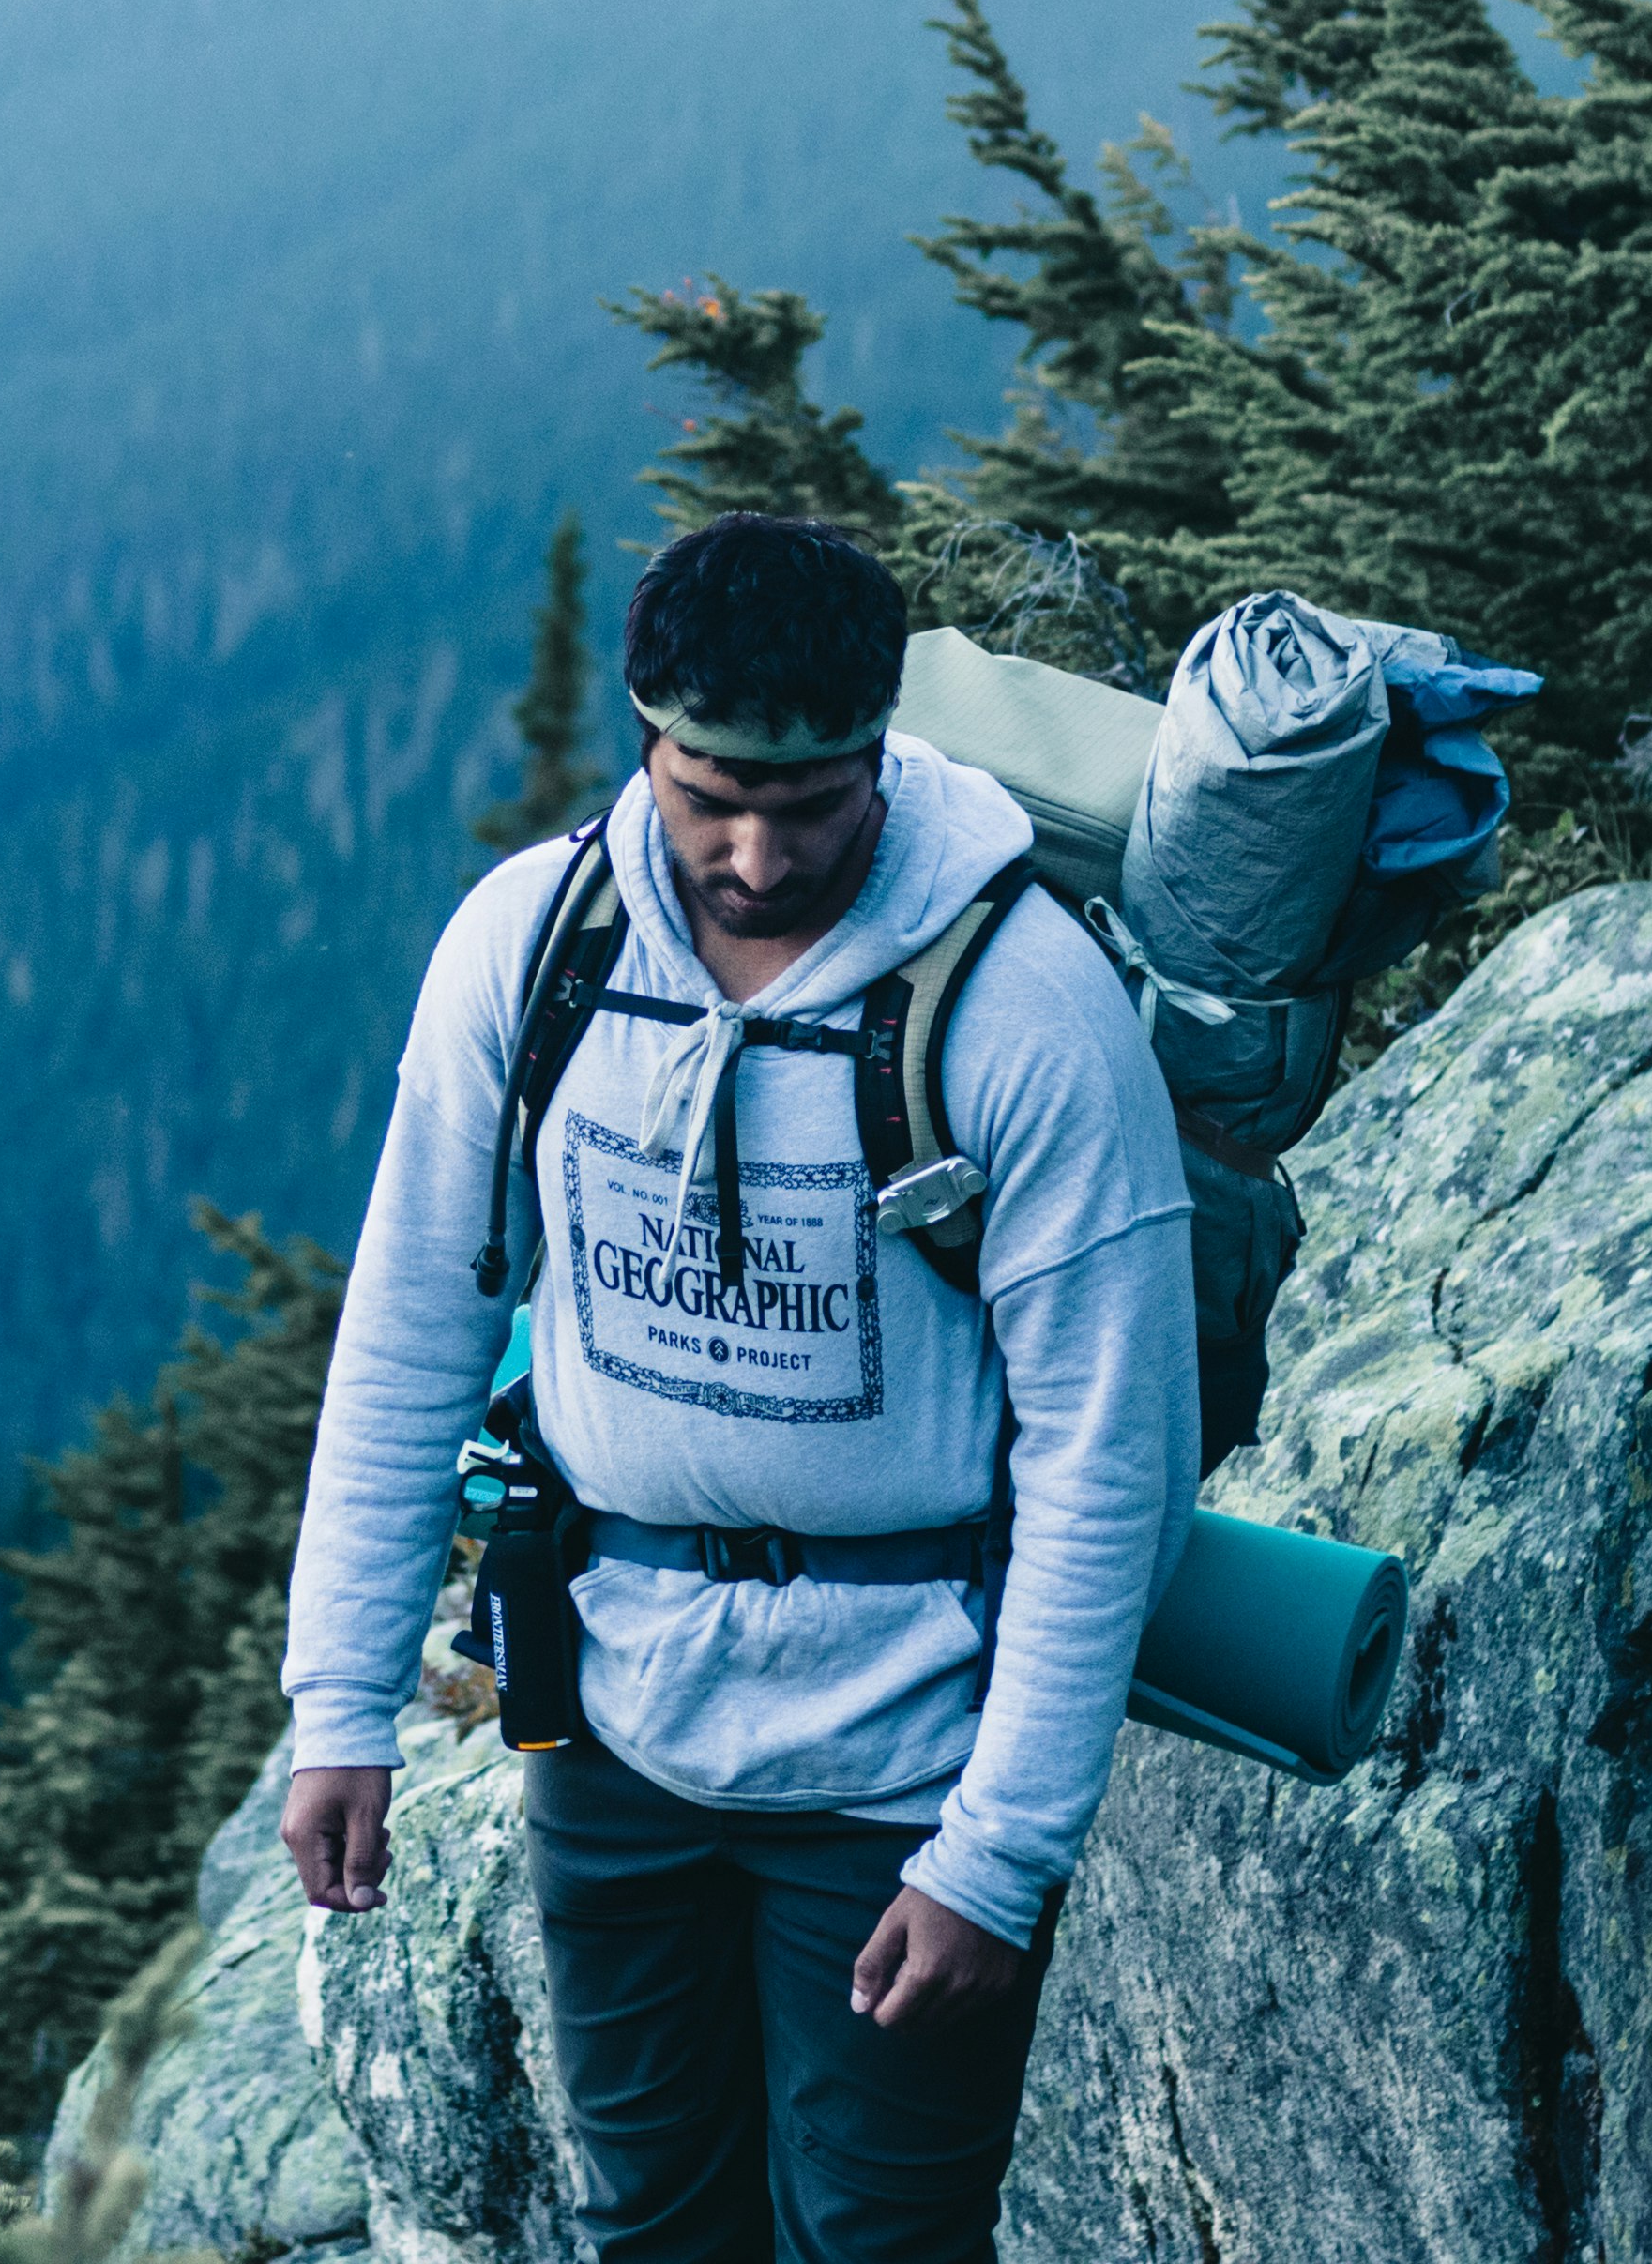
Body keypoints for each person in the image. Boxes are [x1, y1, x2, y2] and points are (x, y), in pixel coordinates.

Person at [277, 511, 1191, 2264]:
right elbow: (409, 1329)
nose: (758, 856)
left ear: (879, 755)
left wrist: (996, 1858)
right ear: (643, 738)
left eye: (810, 804)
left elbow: (1105, 1468)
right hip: (611, 1727)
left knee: (881, 2242)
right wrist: (341, 1705)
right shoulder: (532, 952)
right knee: (654, 2229)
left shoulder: (1025, 1017)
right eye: (709, 800)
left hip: (903, 1760)